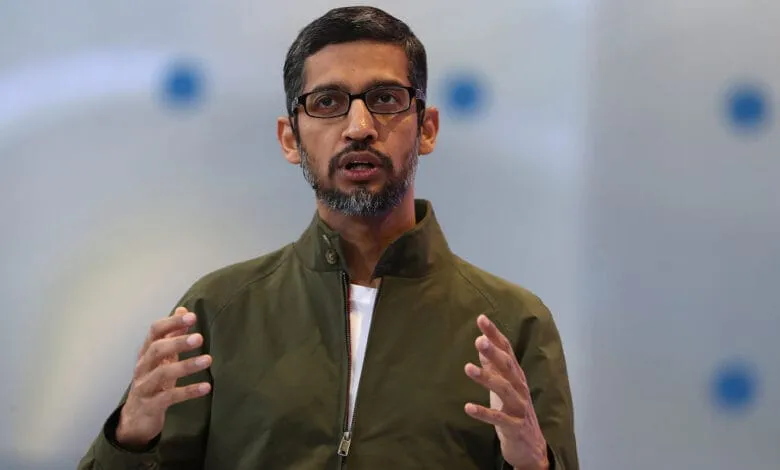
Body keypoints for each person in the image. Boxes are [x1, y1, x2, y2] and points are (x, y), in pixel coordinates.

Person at [78, 6, 578, 470]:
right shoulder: (217, 311)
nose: (359, 128)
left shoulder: (512, 324)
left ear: (426, 128)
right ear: (290, 138)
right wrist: (130, 439)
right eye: (328, 103)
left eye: (385, 99)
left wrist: (535, 464)